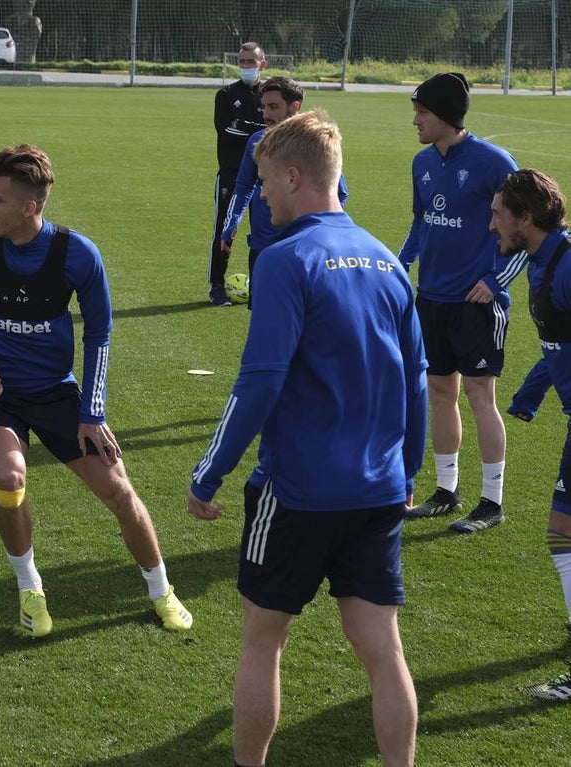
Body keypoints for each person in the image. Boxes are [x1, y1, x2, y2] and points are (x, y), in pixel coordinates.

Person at [187, 110, 426, 767]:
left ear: (295, 177)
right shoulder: (384, 261)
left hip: (294, 492)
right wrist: (406, 471)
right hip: (378, 490)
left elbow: (258, 382)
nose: (260, 195)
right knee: (382, 649)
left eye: (264, 181)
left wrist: (208, 474)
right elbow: (417, 380)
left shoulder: (285, 260)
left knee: (263, 640)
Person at [0, 144, 194, 638]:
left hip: (57, 394)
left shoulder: (78, 254)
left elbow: (99, 333)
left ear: (29, 207)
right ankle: (30, 586)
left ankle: (161, 590)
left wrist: (92, 413)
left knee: (119, 491)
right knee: (10, 478)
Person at [398, 72, 527, 533]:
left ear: (447, 118)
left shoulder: (494, 163)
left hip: (476, 304)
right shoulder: (421, 163)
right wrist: (400, 267)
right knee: (439, 393)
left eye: (422, 113)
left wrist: (496, 280)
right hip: (431, 299)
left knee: (479, 396)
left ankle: (491, 502)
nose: (415, 121)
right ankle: (447, 491)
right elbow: (420, 222)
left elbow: (529, 227)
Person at [485, 169, 571, 701]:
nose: (491, 222)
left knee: (563, 531)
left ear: (527, 218)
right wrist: (530, 395)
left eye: (498, 213)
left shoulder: (566, 265)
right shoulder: (545, 261)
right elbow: (558, 340)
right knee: (562, 530)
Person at [220, 76, 349, 304]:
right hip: (262, 249)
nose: (265, 115)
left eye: (273, 107)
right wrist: (232, 222)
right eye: (263, 107)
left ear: (295, 106)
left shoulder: (313, 144)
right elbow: (243, 186)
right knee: (263, 318)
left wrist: (312, 232)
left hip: (301, 251)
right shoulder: (257, 141)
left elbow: (339, 194)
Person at [209, 41, 266, 306]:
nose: (245, 67)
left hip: (266, 176)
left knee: (263, 231)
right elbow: (225, 131)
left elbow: (277, 129)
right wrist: (259, 131)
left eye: (250, 62)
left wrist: (245, 125)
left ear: (262, 64)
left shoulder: (271, 95)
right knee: (224, 229)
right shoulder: (226, 95)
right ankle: (216, 287)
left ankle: (262, 287)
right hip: (232, 175)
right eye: (242, 62)